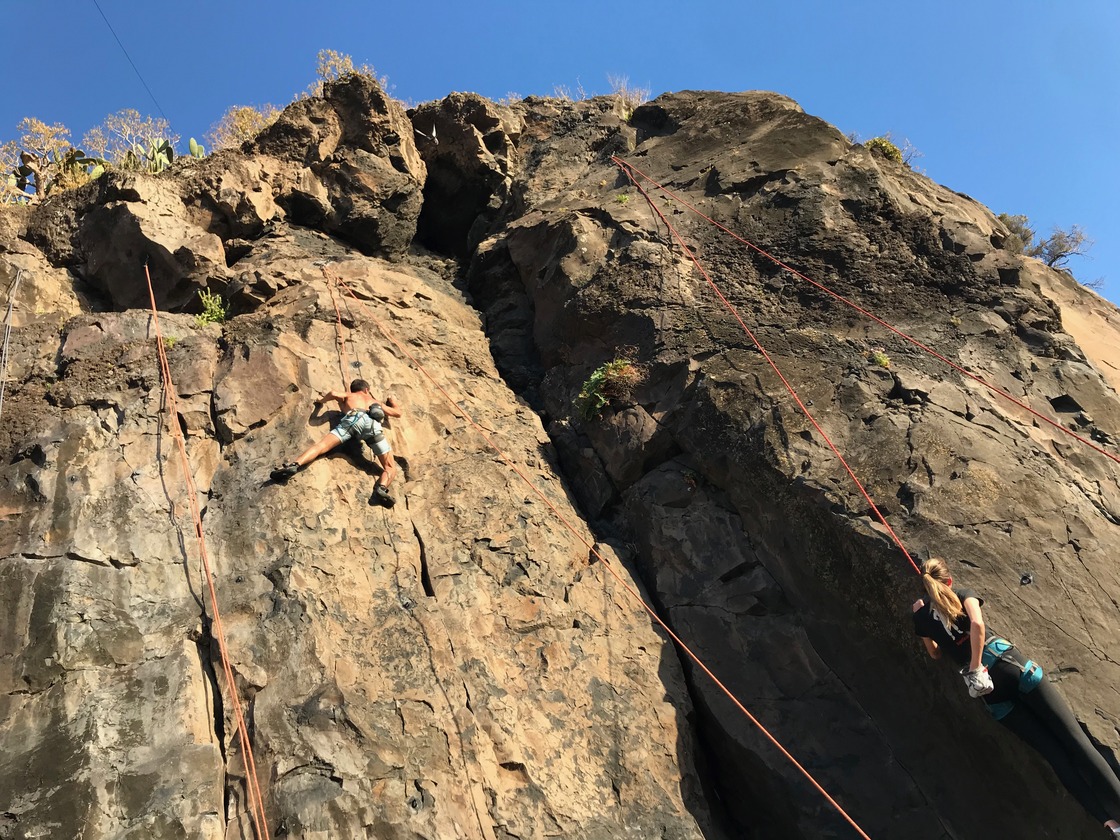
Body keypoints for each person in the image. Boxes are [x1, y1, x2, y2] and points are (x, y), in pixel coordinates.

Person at [912, 558, 1120, 836]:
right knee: (1076, 742)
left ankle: (1109, 822)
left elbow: (935, 653)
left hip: (992, 694)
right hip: (1011, 668)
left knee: (1055, 756)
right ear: (948, 581)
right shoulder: (963, 594)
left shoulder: (921, 616)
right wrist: (977, 663)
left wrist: (921, 616)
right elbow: (977, 625)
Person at [271, 379, 402, 506]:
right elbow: (397, 413)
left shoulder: (349, 395)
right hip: (373, 426)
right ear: (366, 390)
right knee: (390, 467)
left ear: (354, 389)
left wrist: (321, 401)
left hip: (353, 421)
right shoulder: (375, 401)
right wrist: (393, 401)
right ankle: (381, 488)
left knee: (321, 446)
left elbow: (333, 393)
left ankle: (294, 465)